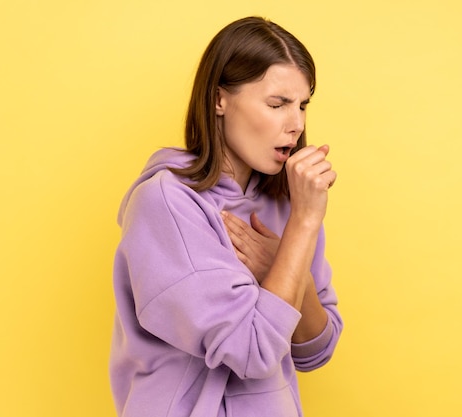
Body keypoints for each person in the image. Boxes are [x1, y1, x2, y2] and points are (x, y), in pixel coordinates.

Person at [109, 16, 343, 417]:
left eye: (303, 105)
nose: (297, 124)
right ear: (220, 100)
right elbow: (251, 352)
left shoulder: (290, 201)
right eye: (277, 104)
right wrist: (303, 226)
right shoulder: (167, 204)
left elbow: (315, 349)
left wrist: (287, 265)